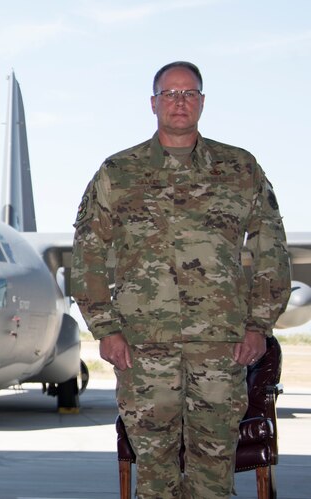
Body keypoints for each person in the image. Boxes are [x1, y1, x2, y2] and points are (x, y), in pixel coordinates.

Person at [72, 61, 291, 498]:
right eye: (170, 94)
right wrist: (106, 328)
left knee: (213, 471)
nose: (179, 102)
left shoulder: (239, 168)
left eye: (189, 93)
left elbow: (271, 246)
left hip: (220, 347)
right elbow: (87, 254)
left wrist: (258, 325)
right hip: (143, 350)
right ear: (153, 103)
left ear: (202, 103)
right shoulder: (119, 172)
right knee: (154, 471)